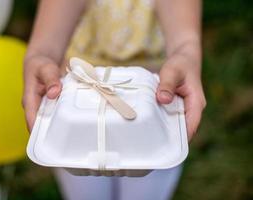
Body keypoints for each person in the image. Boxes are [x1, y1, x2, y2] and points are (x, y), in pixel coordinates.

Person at [22, 0, 206, 199]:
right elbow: (46, 43)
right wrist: (40, 56)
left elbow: (184, 41)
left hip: (158, 97)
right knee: (85, 189)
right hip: (75, 96)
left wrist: (187, 56)